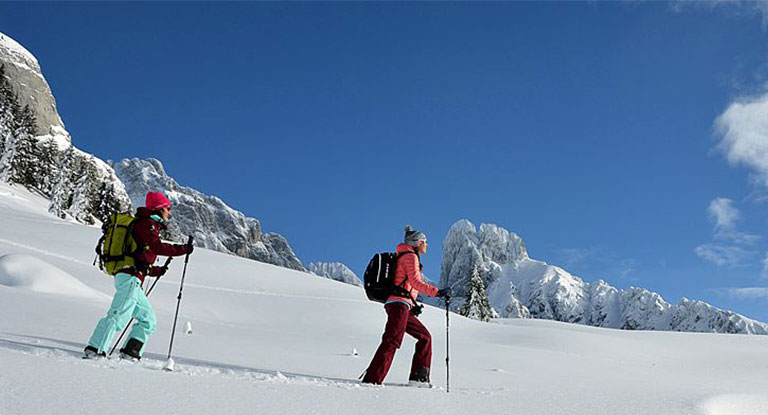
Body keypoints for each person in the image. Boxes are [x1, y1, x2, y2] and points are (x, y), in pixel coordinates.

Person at [84, 192, 193, 360]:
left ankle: (130, 353)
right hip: (129, 278)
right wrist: (182, 249)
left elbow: (139, 257)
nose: (169, 213)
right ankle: (95, 349)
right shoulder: (146, 224)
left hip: (133, 277)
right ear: (159, 208)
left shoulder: (148, 225)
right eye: (168, 209)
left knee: (148, 320)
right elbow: (156, 247)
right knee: (118, 315)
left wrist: (155, 270)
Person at [362, 225, 451, 387]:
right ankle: (372, 380)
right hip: (399, 305)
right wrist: (437, 292)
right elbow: (416, 282)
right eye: (425, 241)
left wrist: (412, 304)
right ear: (417, 242)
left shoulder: (406, 256)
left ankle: (419, 378)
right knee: (392, 340)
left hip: (402, 305)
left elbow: (405, 284)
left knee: (425, 337)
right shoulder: (410, 257)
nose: (427, 245)